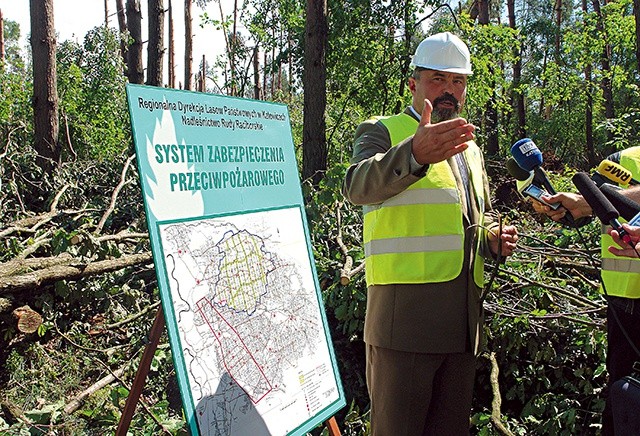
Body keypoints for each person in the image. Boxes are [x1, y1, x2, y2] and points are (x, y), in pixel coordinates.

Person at [342, 32, 518, 436]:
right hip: (403, 328)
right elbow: (356, 186)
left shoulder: (469, 148)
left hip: (462, 328)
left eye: (458, 82)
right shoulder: (382, 131)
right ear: (413, 84)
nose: (449, 91)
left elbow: (479, 214)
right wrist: (415, 153)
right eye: (438, 79)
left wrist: (492, 237)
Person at [531, 147, 640, 435]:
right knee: (624, 401)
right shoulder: (621, 162)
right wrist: (569, 206)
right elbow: (582, 210)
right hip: (625, 306)